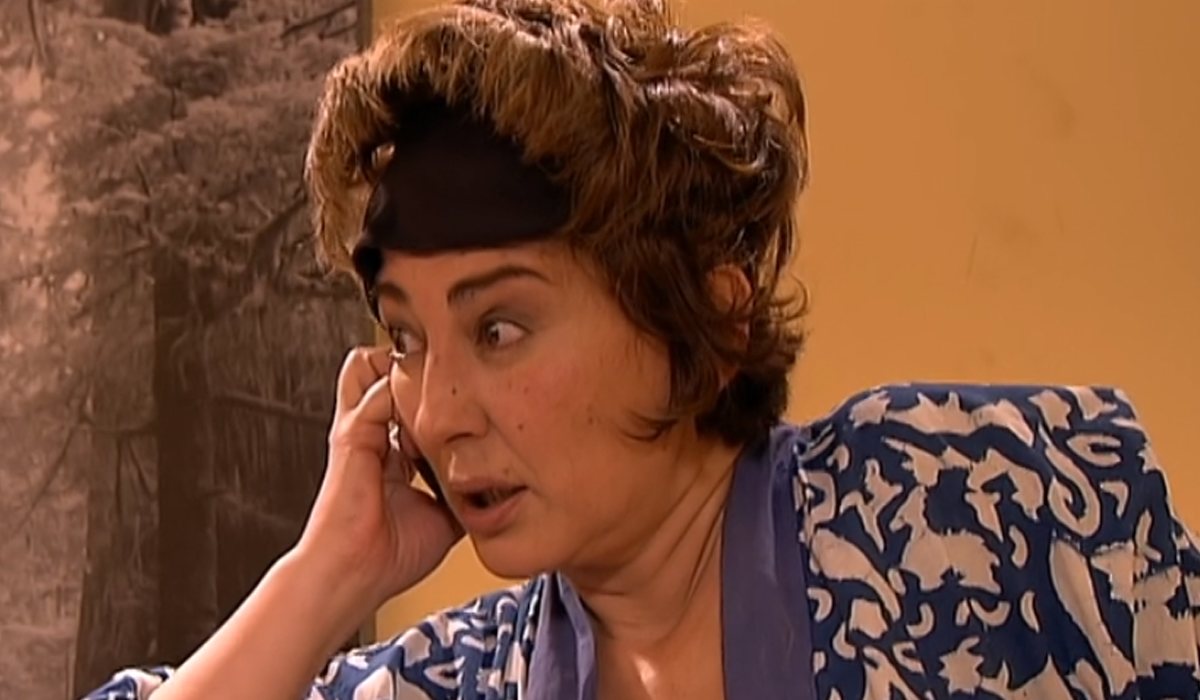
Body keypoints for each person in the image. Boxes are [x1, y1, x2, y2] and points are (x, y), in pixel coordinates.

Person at [85, 0, 1200, 698]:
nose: (437, 410)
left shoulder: (986, 502)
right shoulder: (461, 680)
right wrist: (324, 575)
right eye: (407, 337)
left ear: (705, 322)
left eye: (499, 327)